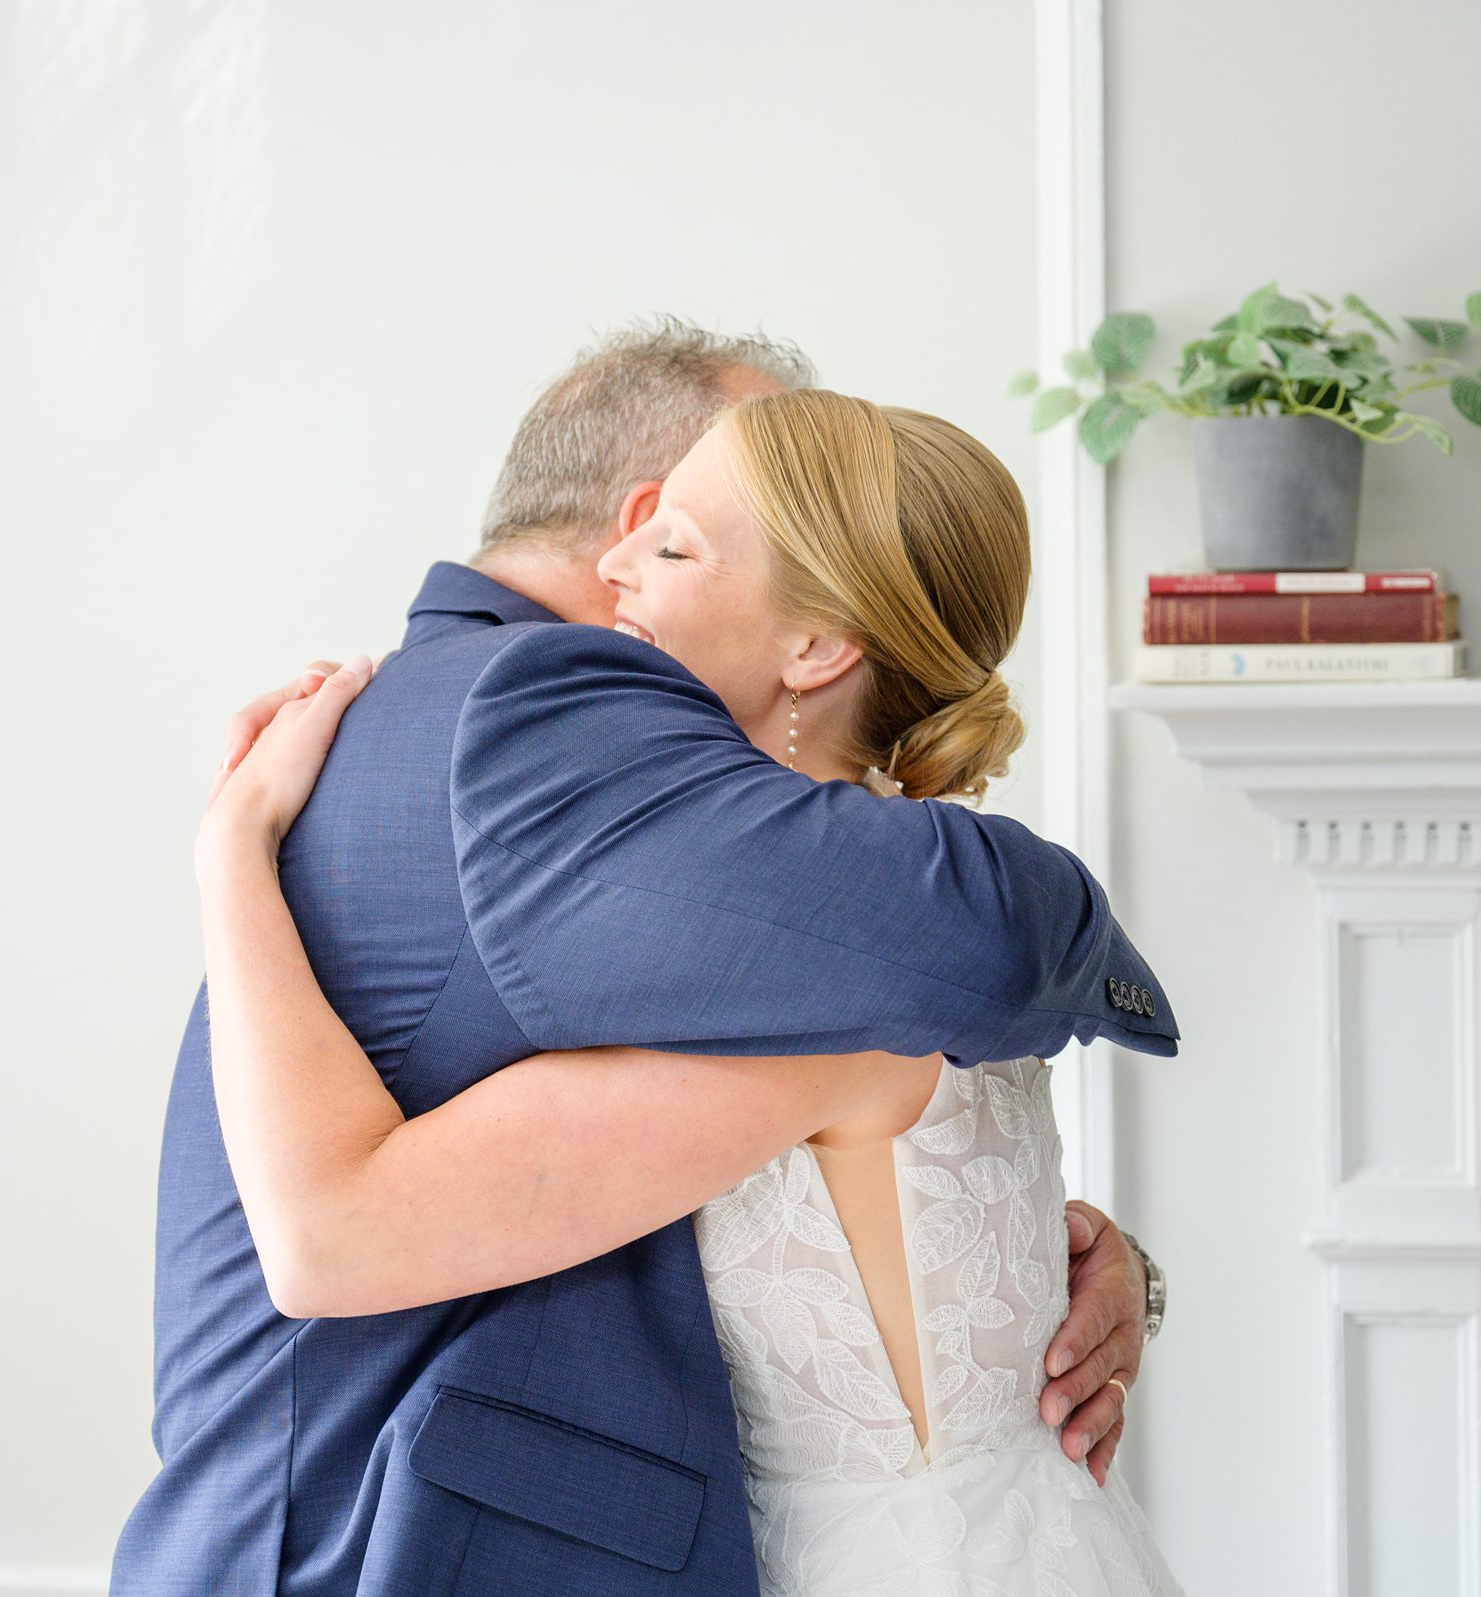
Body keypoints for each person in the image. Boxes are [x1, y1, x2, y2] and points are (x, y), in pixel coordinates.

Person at [112, 322, 1178, 1597]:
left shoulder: (831, 954)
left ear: (818, 638)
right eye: (657, 524)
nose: (628, 566)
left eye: (677, 541)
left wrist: (227, 852)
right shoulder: (556, 723)